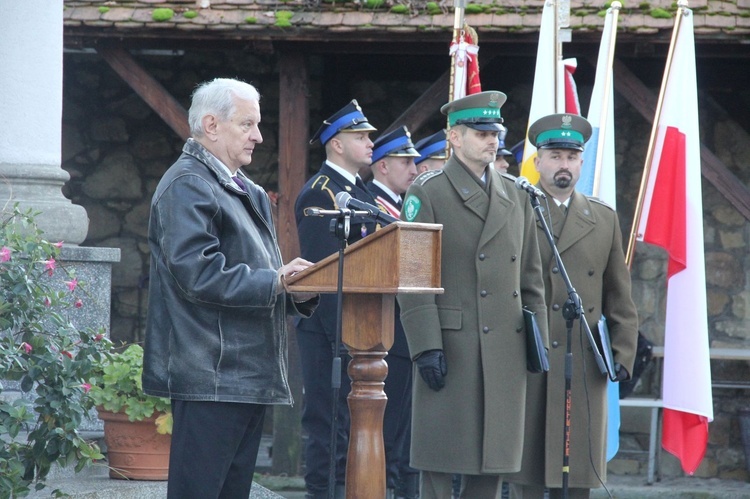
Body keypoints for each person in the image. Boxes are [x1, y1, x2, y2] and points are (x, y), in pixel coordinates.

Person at [142, 77, 319, 499]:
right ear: (212, 125)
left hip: (243, 375)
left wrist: (295, 292)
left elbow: (256, 276)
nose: (259, 136)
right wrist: (276, 281)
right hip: (209, 376)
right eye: (248, 124)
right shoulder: (187, 183)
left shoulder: (247, 189)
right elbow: (198, 274)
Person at [397, 91, 548, 499]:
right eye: (481, 133)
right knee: (440, 466)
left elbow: (531, 279)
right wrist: (425, 346)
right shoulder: (427, 192)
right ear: (454, 137)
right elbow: (413, 278)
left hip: (505, 345)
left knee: (491, 466)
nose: (492, 141)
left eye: (494, 132)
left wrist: (538, 343)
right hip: (452, 344)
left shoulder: (518, 194)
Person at [507, 113, 639, 499]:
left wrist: (622, 354)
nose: (563, 165)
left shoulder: (602, 218)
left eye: (571, 156)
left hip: (583, 360)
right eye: (554, 156)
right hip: (530, 356)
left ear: (581, 162)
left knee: (578, 474)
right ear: (538, 161)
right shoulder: (515, 210)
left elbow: (620, 296)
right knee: (526, 474)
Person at [294, 100, 380, 499]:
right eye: (360, 136)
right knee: (329, 427)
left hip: (361, 330)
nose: (369, 142)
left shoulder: (358, 191)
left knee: (354, 428)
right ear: (336, 145)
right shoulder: (322, 193)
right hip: (330, 332)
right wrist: (343, 337)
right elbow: (325, 275)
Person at [368, 126, 420, 499]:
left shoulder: (400, 205)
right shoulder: (370, 203)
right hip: (384, 332)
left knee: (404, 431)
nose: (415, 170)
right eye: (406, 162)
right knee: (388, 431)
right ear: (382, 166)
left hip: (405, 332)